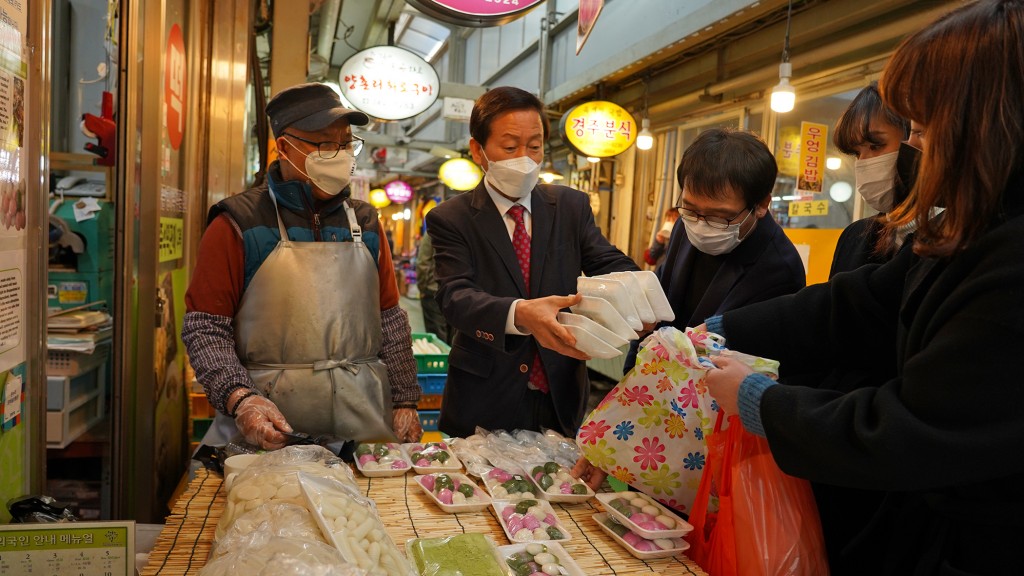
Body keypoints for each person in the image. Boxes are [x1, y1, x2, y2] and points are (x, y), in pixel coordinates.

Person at [703, 2, 1024, 573]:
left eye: (921, 128)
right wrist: (722, 329)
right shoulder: (968, 226)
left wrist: (763, 402)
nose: (915, 149)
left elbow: (917, 429)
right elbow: (861, 302)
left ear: (984, 123)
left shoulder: (1010, 261)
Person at [182, 82, 422, 451]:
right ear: (285, 147)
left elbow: (389, 317)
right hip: (268, 430)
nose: (340, 154)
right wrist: (240, 397)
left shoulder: (366, 223)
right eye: (325, 145)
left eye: (346, 144)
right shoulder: (238, 223)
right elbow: (206, 328)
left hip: (361, 423)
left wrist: (405, 399)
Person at [576, 128, 806, 490]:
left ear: (761, 204)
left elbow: (719, 371)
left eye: (720, 216)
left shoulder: (779, 269)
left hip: (707, 431)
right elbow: (659, 322)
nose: (702, 225)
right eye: (692, 209)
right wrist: (617, 430)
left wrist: (622, 441)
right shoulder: (688, 227)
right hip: (654, 413)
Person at [425, 86, 640, 438]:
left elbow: (606, 260)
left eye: (535, 146)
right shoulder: (452, 218)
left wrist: (639, 293)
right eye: (510, 147)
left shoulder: (570, 206)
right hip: (485, 395)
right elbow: (455, 296)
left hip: (560, 393)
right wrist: (520, 313)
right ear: (478, 150)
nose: (524, 157)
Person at [829, 82, 920, 277]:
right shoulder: (853, 238)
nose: (863, 163)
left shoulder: (953, 239)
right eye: (856, 153)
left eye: (875, 145)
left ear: (916, 140)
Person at [415, 230, 450, 344]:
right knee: (452, 338)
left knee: (437, 340)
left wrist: (423, 288)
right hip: (455, 292)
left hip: (433, 290)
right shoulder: (462, 226)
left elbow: (423, 262)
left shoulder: (434, 229)